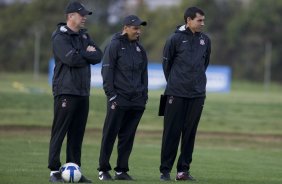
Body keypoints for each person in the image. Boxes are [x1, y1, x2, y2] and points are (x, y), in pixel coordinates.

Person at [48, 1, 102, 183]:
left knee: (77, 134)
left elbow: (98, 56)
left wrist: (83, 53)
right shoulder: (59, 37)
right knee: (60, 131)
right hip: (65, 90)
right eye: (82, 14)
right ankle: (54, 171)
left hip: (82, 92)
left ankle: (74, 170)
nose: (84, 17)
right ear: (71, 16)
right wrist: (85, 53)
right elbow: (71, 59)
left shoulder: (85, 36)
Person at [159, 7, 211, 181]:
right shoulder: (174, 39)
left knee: (190, 133)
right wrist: (176, 83)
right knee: (171, 133)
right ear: (188, 20)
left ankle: (183, 171)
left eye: (203, 20)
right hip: (175, 93)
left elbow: (204, 64)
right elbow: (167, 66)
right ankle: (165, 170)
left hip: (197, 95)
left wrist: (196, 83)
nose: (202, 23)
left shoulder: (206, 40)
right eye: (199, 20)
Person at [97, 15, 148, 181]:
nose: (138, 31)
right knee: (110, 134)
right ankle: (103, 169)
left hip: (136, 101)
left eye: (139, 28)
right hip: (119, 99)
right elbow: (106, 72)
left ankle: (121, 170)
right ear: (126, 27)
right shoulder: (114, 45)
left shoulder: (140, 49)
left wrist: (144, 97)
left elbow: (144, 75)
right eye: (135, 28)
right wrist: (112, 96)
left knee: (128, 137)